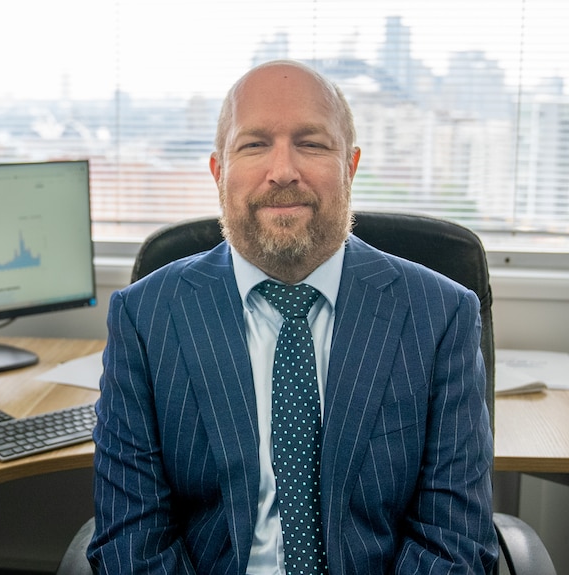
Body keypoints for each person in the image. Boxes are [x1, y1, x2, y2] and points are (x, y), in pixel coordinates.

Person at [89, 60, 498, 574]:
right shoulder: (145, 319)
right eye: (255, 144)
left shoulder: (441, 316)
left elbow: (453, 541)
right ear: (220, 173)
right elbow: (132, 540)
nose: (283, 170)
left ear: (349, 166)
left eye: (311, 143)